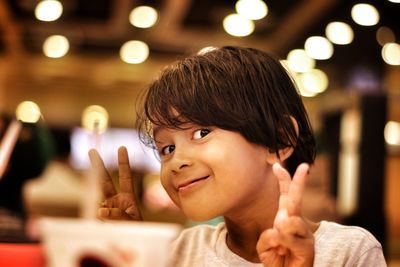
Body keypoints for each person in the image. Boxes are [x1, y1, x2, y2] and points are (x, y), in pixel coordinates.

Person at [89, 46, 386, 266]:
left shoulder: (349, 252)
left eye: (202, 133)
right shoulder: (179, 252)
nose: (177, 161)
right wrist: (136, 252)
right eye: (167, 148)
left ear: (278, 139)